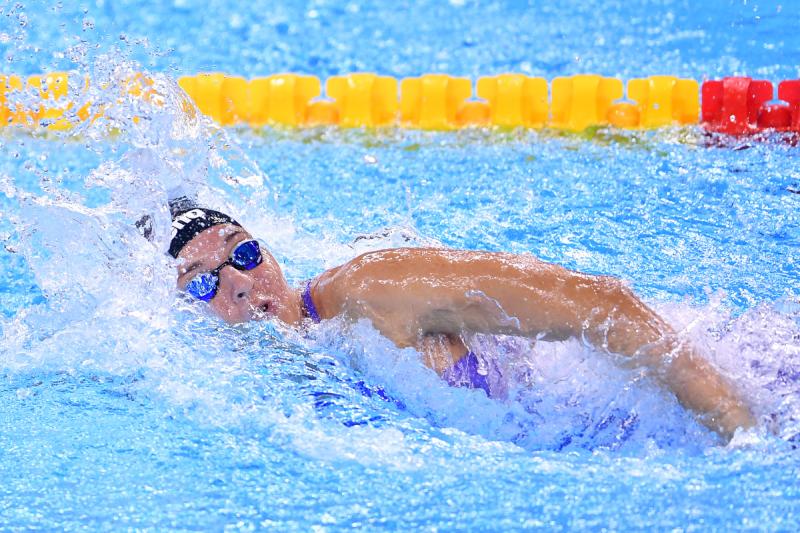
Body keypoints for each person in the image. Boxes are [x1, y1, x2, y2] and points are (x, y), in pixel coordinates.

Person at [167, 199, 756, 441]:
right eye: (203, 282)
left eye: (243, 253)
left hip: (738, 383)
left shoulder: (373, 290)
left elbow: (604, 305)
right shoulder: (241, 381)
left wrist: (743, 434)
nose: (240, 284)